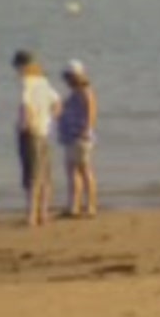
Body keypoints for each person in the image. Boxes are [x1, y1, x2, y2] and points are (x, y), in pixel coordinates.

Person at [13, 50, 61, 227]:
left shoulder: (27, 83)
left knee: (31, 175)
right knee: (45, 174)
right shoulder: (44, 82)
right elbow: (57, 104)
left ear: (22, 66)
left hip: (31, 133)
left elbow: (25, 106)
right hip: (45, 131)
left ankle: (32, 215)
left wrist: (26, 124)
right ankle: (44, 213)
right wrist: (49, 120)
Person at [59, 59, 98, 218]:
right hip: (71, 137)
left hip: (81, 136)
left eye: (68, 76)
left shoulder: (86, 91)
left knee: (85, 170)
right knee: (72, 171)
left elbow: (91, 110)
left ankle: (91, 206)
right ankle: (73, 206)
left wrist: (86, 129)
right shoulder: (75, 92)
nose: (67, 80)